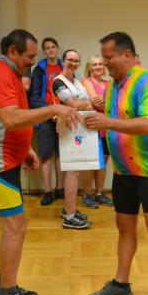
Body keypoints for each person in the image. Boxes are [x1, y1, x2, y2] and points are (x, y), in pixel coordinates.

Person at [0, 29, 79, 295]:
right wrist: (54, 109)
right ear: (12, 52)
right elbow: (11, 118)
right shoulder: (0, 72)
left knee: (14, 227)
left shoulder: (10, 72)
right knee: (15, 228)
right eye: (29, 56)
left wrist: (25, 149)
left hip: (7, 158)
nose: (32, 61)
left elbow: (5, 117)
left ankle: (3, 287)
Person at [85, 32, 148, 295]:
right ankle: (121, 284)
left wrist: (107, 122)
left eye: (108, 57)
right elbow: (115, 118)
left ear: (126, 55)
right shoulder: (112, 86)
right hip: (123, 168)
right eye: (103, 58)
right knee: (124, 226)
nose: (104, 63)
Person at [52, 50, 94, 229]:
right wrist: (84, 104)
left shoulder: (77, 82)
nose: (73, 63)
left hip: (78, 128)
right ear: (63, 61)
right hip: (68, 129)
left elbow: (88, 104)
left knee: (75, 171)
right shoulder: (58, 81)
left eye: (77, 60)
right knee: (73, 171)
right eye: (70, 60)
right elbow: (73, 105)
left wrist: (82, 105)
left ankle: (69, 208)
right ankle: (69, 217)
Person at [29, 37, 65, 206]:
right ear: (44, 51)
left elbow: (72, 91)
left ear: (57, 49)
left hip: (63, 117)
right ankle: (48, 191)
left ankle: (60, 188)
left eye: (53, 47)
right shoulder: (39, 70)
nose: (51, 50)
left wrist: (62, 111)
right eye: (47, 48)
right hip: (45, 117)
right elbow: (34, 95)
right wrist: (51, 111)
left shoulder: (64, 67)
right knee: (45, 154)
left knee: (61, 154)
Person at [81, 55, 113, 208]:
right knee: (91, 162)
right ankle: (87, 195)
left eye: (101, 64)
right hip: (93, 127)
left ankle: (99, 193)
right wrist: (109, 103)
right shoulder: (87, 82)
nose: (98, 67)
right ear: (89, 67)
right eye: (95, 64)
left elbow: (116, 103)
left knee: (102, 163)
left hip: (108, 128)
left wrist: (105, 101)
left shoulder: (109, 83)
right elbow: (96, 102)